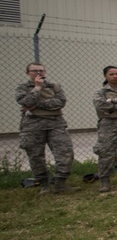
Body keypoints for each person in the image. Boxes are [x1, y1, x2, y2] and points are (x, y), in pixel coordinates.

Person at [15, 62, 76, 193]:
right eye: (34, 71)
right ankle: (44, 185)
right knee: (36, 156)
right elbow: (24, 102)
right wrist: (37, 88)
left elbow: (60, 102)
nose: (38, 73)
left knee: (65, 153)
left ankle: (60, 183)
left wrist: (36, 105)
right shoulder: (22, 87)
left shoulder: (54, 86)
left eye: (41, 70)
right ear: (28, 73)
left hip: (56, 124)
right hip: (32, 126)